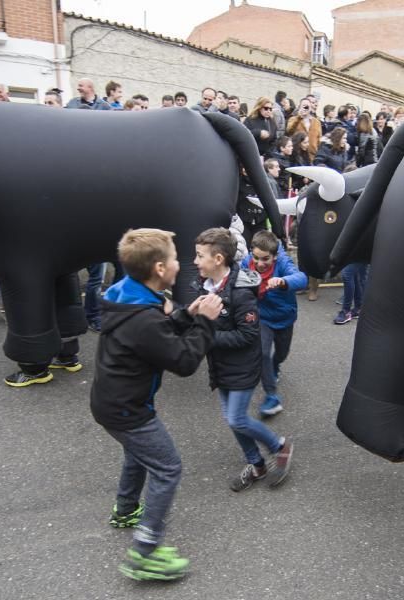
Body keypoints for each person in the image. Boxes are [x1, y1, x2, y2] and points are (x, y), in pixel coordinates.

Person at [91, 228, 222, 581]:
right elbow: (182, 361)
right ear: (161, 269)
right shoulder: (144, 318)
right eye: (177, 258)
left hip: (113, 402)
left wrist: (186, 315)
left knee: (138, 453)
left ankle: (126, 509)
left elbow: (155, 334)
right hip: (128, 408)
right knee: (167, 468)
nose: (182, 264)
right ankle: (145, 552)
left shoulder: (126, 294)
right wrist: (206, 323)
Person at [193, 227, 294, 492]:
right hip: (221, 366)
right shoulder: (204, 284)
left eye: (200, 255)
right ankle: (257, 464)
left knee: (237, 418)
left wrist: (208, 338)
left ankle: (279, 447)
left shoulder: (241, 289)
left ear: (218, 259)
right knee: (231, 418)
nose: (195, 261)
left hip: (243, 366)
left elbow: (248, 335)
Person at [242, 231, 308, 417]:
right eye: (256, 257)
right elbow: (233, 279)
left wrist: (283, 281)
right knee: (262, 353)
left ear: (274, 256)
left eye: (265, 259)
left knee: (280, 354)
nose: (260, 263)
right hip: (261, 317)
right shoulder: (247, 262)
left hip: (284, 318)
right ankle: (271, 396)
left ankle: (275, 366)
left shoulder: (283, 262)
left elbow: (301, 278)